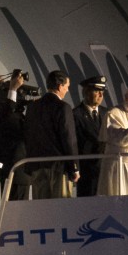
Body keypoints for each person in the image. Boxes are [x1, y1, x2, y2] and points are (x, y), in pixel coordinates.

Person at [23, 70, 79, 199]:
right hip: (58, 167)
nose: (67, 90)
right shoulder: (63, 107)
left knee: (42, 211)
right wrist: (74, 167)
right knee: (61, 210)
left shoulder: (32, 107)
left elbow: (28, 135)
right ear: (60, 86)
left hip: (37, 166)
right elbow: (68, 139)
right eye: (67, 87)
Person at [0, 71, 28, 199]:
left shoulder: (16, 114)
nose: (2, 87)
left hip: (20, 172)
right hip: (12, 170)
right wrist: (12, 89)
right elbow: (7, 117)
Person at [73, 75, 108, 196]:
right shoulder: (76, 114)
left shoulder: (107, 113)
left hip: (106, 170)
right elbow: (75, 143)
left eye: (102, 91)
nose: (101, 95)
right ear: (86, 91)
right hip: (87, 171)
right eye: (97, 91)